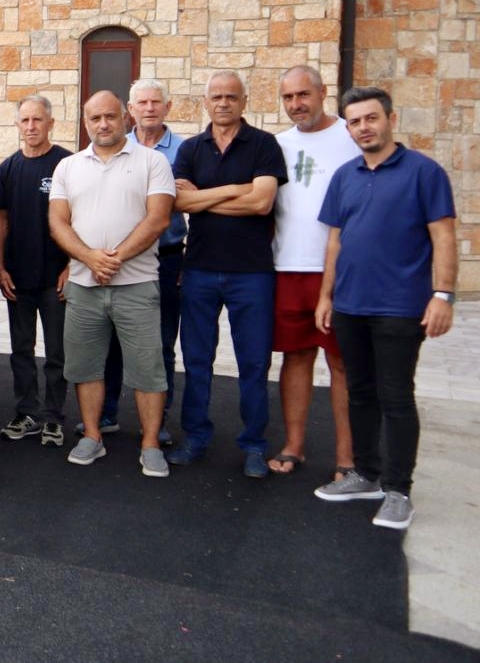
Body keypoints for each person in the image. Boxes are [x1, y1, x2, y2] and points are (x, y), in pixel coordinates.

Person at [313, 86, 458, 531]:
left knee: (395, 396)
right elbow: (335, 242)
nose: (363, 128)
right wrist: (326, 296)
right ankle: (366, 474)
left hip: (400, 307)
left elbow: (443, 236)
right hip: (350, 305)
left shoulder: (424, 172)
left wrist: (443, 294)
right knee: (360, 393)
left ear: (390, 119)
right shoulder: (345, 176)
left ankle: (398, 490)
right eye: (355, 121)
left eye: (371, 118)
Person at [48, 92, 176, 476]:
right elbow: (57, 222)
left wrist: (113, 258)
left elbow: (158, 219)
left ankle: (150, 444)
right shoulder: (68, 167)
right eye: (95, 118)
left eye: (110, 116)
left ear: (125, 118)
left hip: (137, 283)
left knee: (148, 368)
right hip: (84, 286)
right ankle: (92, 435)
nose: (103, 124)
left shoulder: (153, 162)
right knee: (85, 366)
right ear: (85, 122)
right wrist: (89, 258)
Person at [170, 71, 288, 478]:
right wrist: (236, 189)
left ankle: (254, 444)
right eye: (216, 96)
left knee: (253, 362)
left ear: (244, 102)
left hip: (251, 273)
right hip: (199, 269)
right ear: (206, 102)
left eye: (231, 97)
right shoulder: (191, 148)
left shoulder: (264, 144)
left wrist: (204, 198)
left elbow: (262, 203)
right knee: (196, 360)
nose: (223, 103)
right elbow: (179, 202)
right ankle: (195, 438)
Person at [268, 66, 360, 477]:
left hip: (340, 270)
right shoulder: (278, 145)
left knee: (342, 362)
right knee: (296, 356)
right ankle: (294, 446)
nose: (296, 104)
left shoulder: (350, 136)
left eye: (303, 94)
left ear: (323, 92)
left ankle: (346, 457)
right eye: (288, 97)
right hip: (289, 267)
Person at [96, 78, 189, 439]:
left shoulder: (185, 150)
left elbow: (197, 206)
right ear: (130, 111)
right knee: (111, 342)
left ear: (168, 107)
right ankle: (106, 414)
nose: (149, 108)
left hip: (166, 258)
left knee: (160, 343)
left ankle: (158, 421)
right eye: (142, 103)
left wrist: (189, 258)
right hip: (116, 260)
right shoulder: (113, 145)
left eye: (156, 102)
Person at [0, 96, 71, 446]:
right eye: (24, 120)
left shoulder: (67, 164)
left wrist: (72, 266)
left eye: (37, 120)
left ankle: (53, 417)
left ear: (50, 123)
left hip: (56, 277)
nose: (31, 126)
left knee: (57, 353)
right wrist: (1, 267)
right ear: (17, 125)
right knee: (21, 350)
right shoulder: (8, 168)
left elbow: (79, 217)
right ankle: (27, 413)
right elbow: (1, 220)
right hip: (18, 277)